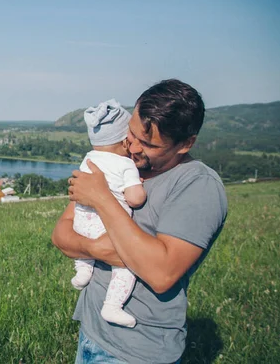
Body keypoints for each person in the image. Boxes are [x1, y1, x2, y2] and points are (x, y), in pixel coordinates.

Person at [52, 79, 228, 364]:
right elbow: (61, 235)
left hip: (137, 350)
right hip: (92, 332)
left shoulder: (198, 186)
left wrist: (102, 199)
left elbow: (160, 274)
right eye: (130, 133)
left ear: (186, 144)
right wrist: (101, 249)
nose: (132, 147)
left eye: (147, 143)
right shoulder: (119, 166)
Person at [72, 99, 146, 330]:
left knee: (85, 243)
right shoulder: (126, 165)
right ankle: (113, 306)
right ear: (125, 141)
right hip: (107, 226)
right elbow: (135, 199)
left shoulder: (88, 158)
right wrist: (138, 187)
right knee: (125, 267)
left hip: (81, 222)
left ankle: (83, 270)